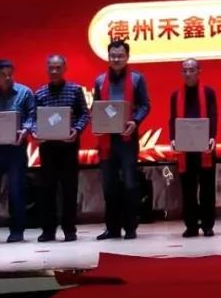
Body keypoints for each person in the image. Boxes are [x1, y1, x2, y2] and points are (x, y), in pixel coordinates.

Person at [93, 39, 151, 240]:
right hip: (107, 140)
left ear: (127, 57)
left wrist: (135, 121)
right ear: (108, 57)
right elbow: (97, 107)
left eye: (120, 56)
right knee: (109, 186)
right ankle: (112, 228)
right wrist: (97, 124)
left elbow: (145, 105)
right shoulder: (100, 80)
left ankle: (130, 227)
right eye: (113, 56)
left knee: (129, 184)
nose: (116, 59)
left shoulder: (137, 79)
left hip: (127, 139)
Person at [0, 59, 36, 243]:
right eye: (3, 74)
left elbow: (32, 116)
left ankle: (17, 231)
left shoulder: (25, 92)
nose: (8, 78)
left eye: (10, 74)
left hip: (16, 148)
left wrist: (25, 130)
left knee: (16, 190)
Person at [35, 54, 89, 242]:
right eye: (51, 67)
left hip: (69, 146)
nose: (54, 71)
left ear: (64, 68)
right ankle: (48, 230)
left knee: (69, 189)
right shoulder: (40, 93)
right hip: (48, 147)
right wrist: (36, 132)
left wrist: (77, 130)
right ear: (47, 69)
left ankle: (69, 229)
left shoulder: (75, 90)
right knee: (47, 189)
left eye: (58, 67)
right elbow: (33, 118)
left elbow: (84, 114)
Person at [169, 58, 219, 238]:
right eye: (185, 70)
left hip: (205, 148)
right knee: (188, 189)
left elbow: (213, 115)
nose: (188, 74)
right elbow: (172, 120)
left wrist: (212, 136)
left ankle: (207, 225)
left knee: (207, 188)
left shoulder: (208, 93)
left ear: (199, 71)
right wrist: (173, 139)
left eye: (191, 70)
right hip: (185, 148)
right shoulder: (176, 96)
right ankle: (191, 225)